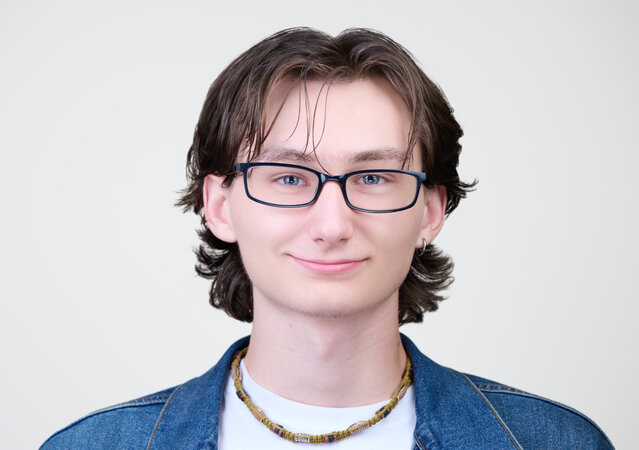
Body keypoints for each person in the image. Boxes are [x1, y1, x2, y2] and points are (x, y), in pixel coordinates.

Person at [41, 27, 613, 449]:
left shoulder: (556, 442)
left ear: (430, 211)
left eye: (374, 177)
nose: (332, 225)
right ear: (219, 206)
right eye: (289, 178)